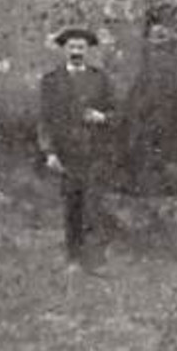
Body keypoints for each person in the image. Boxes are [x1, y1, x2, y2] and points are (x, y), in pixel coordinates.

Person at [37, 27, 118, 271]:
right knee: (72, 205)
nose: (76, 52)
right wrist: (49, 152)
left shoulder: (100, 78)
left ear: (88, 50)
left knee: (93, 205)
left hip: (94, 152)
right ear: (64, 50)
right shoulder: (51, 81)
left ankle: (94, 260)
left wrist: (102, 117)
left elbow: (116, 113)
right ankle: (73, 258)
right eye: (71, 47)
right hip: (67, 153)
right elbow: (45, 119)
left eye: (80, 48)